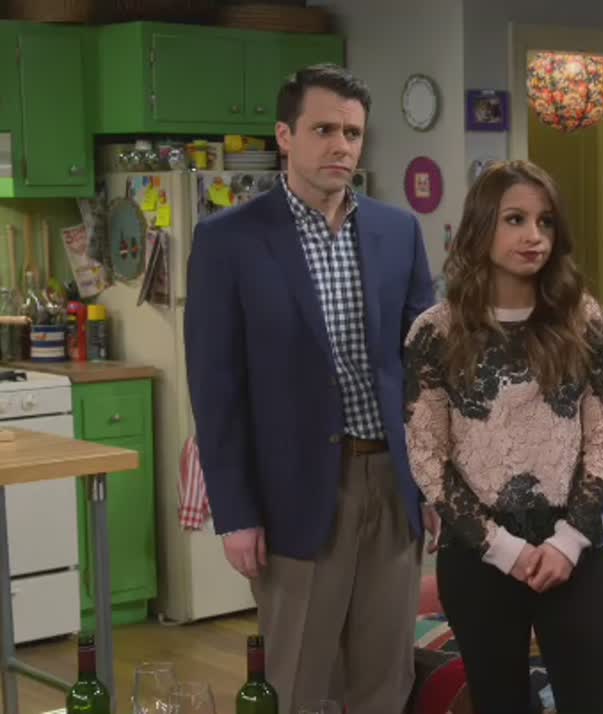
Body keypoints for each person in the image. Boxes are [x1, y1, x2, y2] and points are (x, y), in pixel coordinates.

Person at [184, 64, 434, 714]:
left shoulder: (397, 232)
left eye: (352, 133)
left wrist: (435, 482)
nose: (341, 146)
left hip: (393, 485)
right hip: (294, 493)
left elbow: (427, 372)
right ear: (284, 136)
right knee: (299, 684)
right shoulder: (228, 241)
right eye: (324, 130)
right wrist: (236, 513)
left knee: (385, 682)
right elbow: (216, 390)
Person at [403, 160, 603, 714]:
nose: (534, 236)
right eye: (515, 220)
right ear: (481, 227)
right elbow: (427, 453)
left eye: (545, 222)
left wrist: (569, 541)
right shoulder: (435, 332)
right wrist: (503, 549)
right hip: (478, 555)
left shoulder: (587, 320)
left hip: (573, 550)